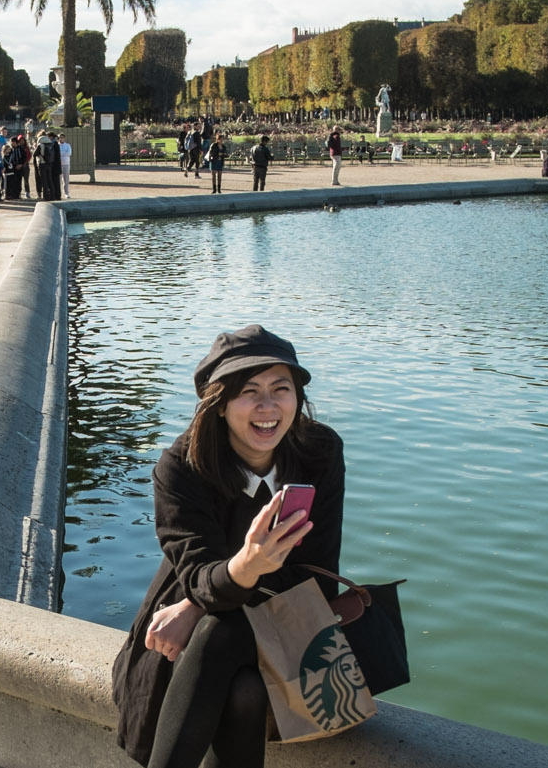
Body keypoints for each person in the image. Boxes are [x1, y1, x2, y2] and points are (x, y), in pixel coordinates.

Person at [111, 325, 346, 768]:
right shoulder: (182, 467)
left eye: (282, 389)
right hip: (190, 641)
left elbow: (315, 578)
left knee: (221, 631)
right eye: (248, 391)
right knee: (243, 689)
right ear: (218, 405)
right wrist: (245, 568)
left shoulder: (320, 453)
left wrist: (200, 604)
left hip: (275, 622)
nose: (268, 406)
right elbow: (197, 574)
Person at [1, 135, 26, 201]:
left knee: (19, 181)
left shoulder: (21, 149)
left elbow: (24, 157)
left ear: (16, 142)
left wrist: (21, 164)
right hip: (12, 168)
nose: (11, 143)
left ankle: (17, 195)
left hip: (20, 167)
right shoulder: (10, 150)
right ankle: (12, 194)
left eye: (13, 142)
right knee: (12, 182)